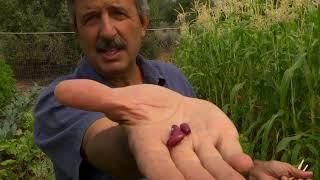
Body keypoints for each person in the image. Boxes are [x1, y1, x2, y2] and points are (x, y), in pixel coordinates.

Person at [33, 0, 313, 179]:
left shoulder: (172, 76)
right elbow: (102, 146)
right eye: (91, 18)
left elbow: (199, 152)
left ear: (143, 24)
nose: (107, 31)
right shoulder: (59, 99)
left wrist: (250, 169)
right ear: (76, 30)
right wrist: (134, 134)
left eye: (118, 13)